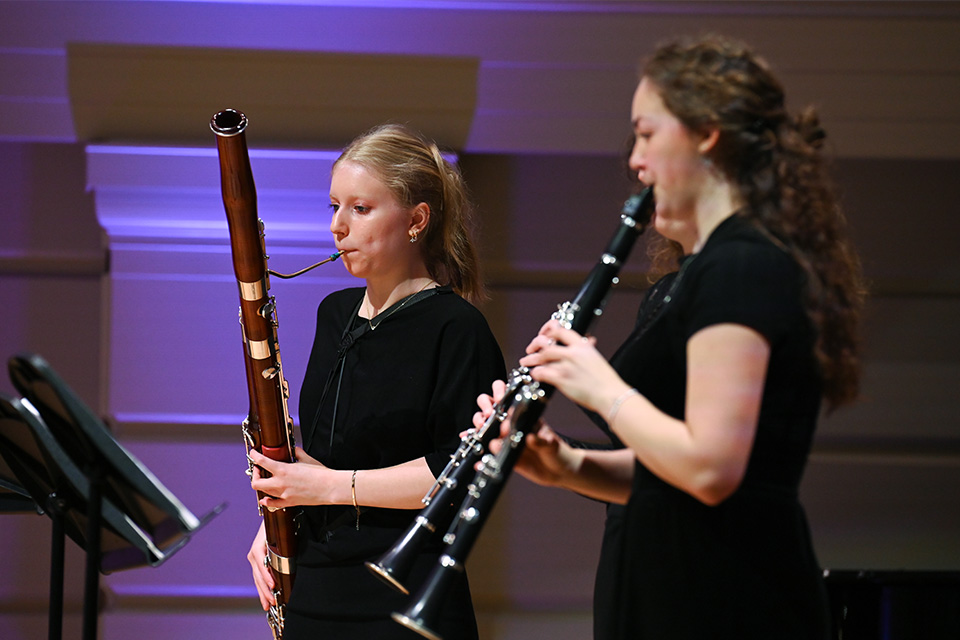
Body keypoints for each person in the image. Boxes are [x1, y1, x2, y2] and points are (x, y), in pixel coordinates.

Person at [476, 35, 864, 639]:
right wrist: (564, 465)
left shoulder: (744, 265)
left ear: (706, 132)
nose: (635, 158)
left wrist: (600, 386)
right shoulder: (709, 270)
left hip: (728, 597)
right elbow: (675, 475)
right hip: (679, 585)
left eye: (647, 133)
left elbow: (712, 469)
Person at [247, 123, 506, 639]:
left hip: (406, 594)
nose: (337, 227)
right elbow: (319, 454)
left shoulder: (457, 329)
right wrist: (275, 517)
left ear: (416, 220)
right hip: (317, 585)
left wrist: (326, 488)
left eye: (360, 209)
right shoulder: (334, 313)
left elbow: (459, 473)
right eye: (334, 207)